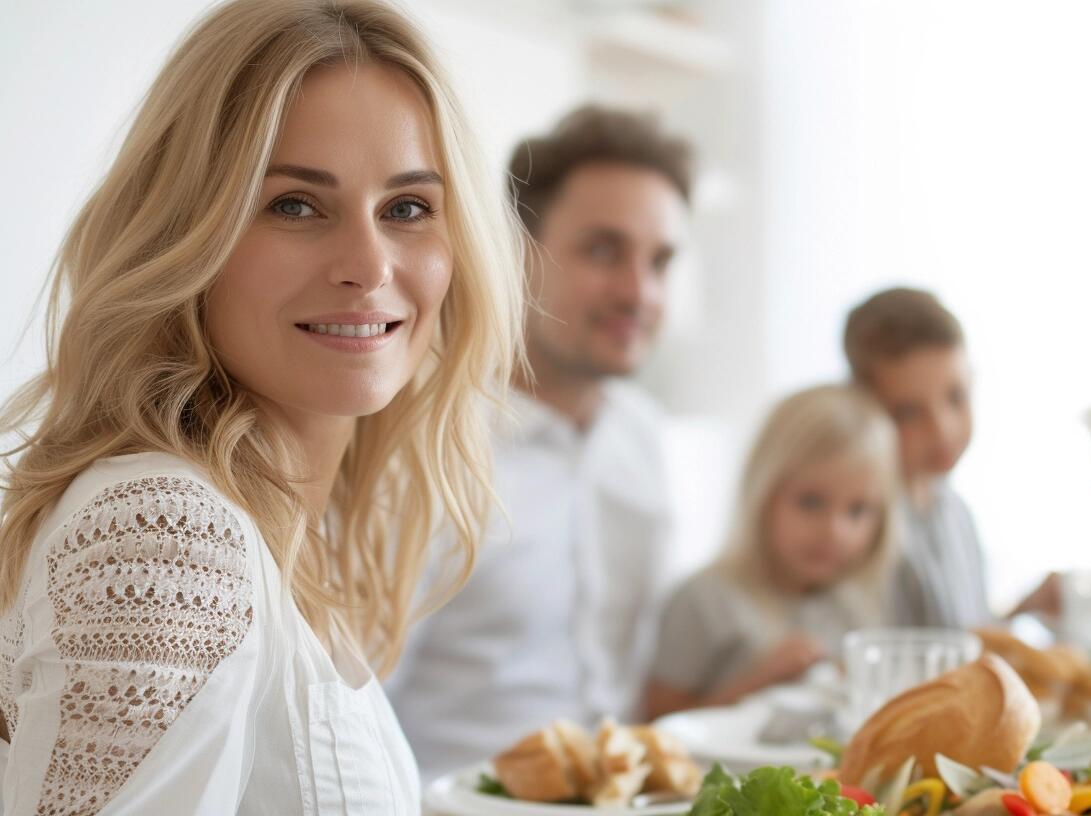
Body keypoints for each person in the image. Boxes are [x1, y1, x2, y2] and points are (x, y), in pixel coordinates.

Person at [0, 1, 523, 811]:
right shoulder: (167, 531)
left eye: (407, 208)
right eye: (294, 205)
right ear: (186, 232)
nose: (369, 265)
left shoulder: (278, 523)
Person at [388, 105, 692, 774]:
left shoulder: (641, 434)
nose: (638, 291)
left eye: (660, 261)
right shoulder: (424, 446)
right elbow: (355, 713)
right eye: (604, 250)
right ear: (514, 252)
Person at [643, 384, 900, 718]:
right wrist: (757, 682)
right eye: (811, 502)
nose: (835, 532)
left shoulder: (857, 604)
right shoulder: (703, 600)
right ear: (763, 494)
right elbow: (658, 725)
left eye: (858, 510)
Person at [842, 287, 1058, 628]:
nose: (942, 430)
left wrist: (1026, 608)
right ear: (864, 410)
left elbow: (962, 644)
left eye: (956, 398)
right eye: (908, 412)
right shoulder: (854, 524)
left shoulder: (955, 512)